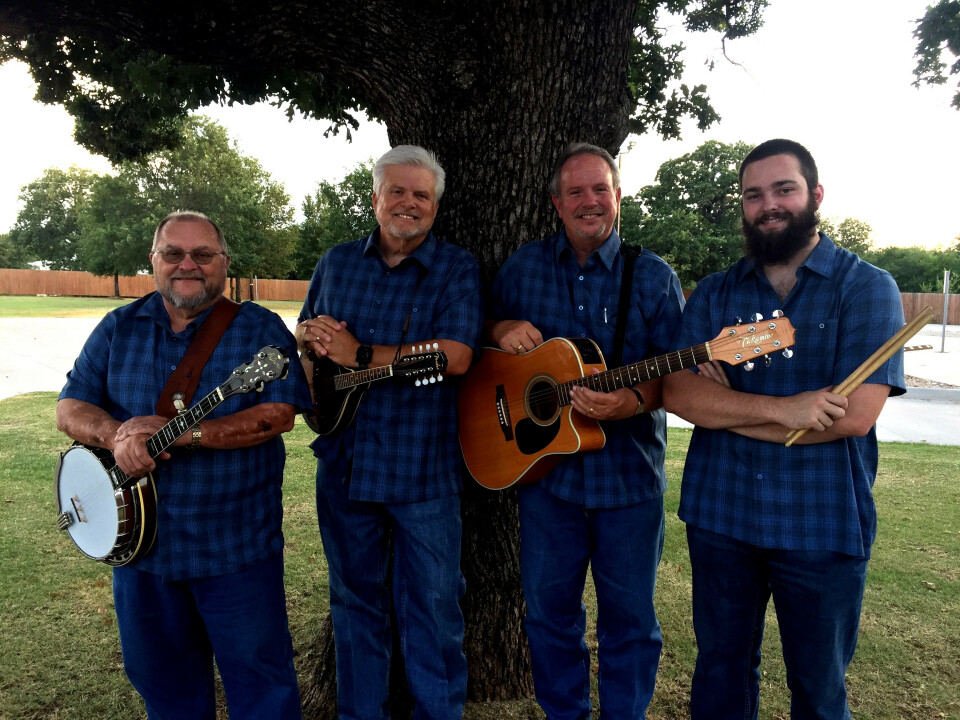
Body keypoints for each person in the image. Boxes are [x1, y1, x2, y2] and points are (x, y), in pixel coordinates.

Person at [662, 139, 906, 720]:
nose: (768, 204)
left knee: (819, 691)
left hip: (822, 522)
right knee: (720, 677)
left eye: (783, 189)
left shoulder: (866, 288)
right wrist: (787, 410)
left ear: (815, 196)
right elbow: (679, 394)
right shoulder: (718, 292)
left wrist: (729, 403)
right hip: (723, 516)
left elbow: (854, 415)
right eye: (753, 195)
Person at [56, 211, 311, 720]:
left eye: (202, 255)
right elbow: (69, 408)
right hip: (141, 554)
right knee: (166, 692)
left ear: (224, 264)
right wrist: (118, 434)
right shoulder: (118, 328)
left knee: (263, 692)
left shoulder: (259, 329)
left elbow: (278, 415)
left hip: (236, 552)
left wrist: (190, 433)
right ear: (154, 260)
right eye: (173, 253)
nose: (187, 265)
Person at [487, 142, 685, 719]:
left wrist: (630, 401)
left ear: (618, 197)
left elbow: (675, 376)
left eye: (600, 189)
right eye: (575, 191)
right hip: (547, 481)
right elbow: (476, 340)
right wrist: (500, 326)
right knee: (550, 616)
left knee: (631, 623)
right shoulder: (523, 268)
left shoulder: (650, 277)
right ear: (556, 203)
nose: (589, 201)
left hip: (629, 484)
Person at [297, 145, 482, 719]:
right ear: (375, 198)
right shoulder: (336, 263)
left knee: (433, 609)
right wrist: (311, 347)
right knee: (355, 605)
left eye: (421, 195)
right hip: (346, 464)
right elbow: (308, 342)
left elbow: (453, 356)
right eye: (396, 191)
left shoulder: (456, 268)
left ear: (434, 207)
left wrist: (360, 354)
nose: (408, 203)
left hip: (423, 468)